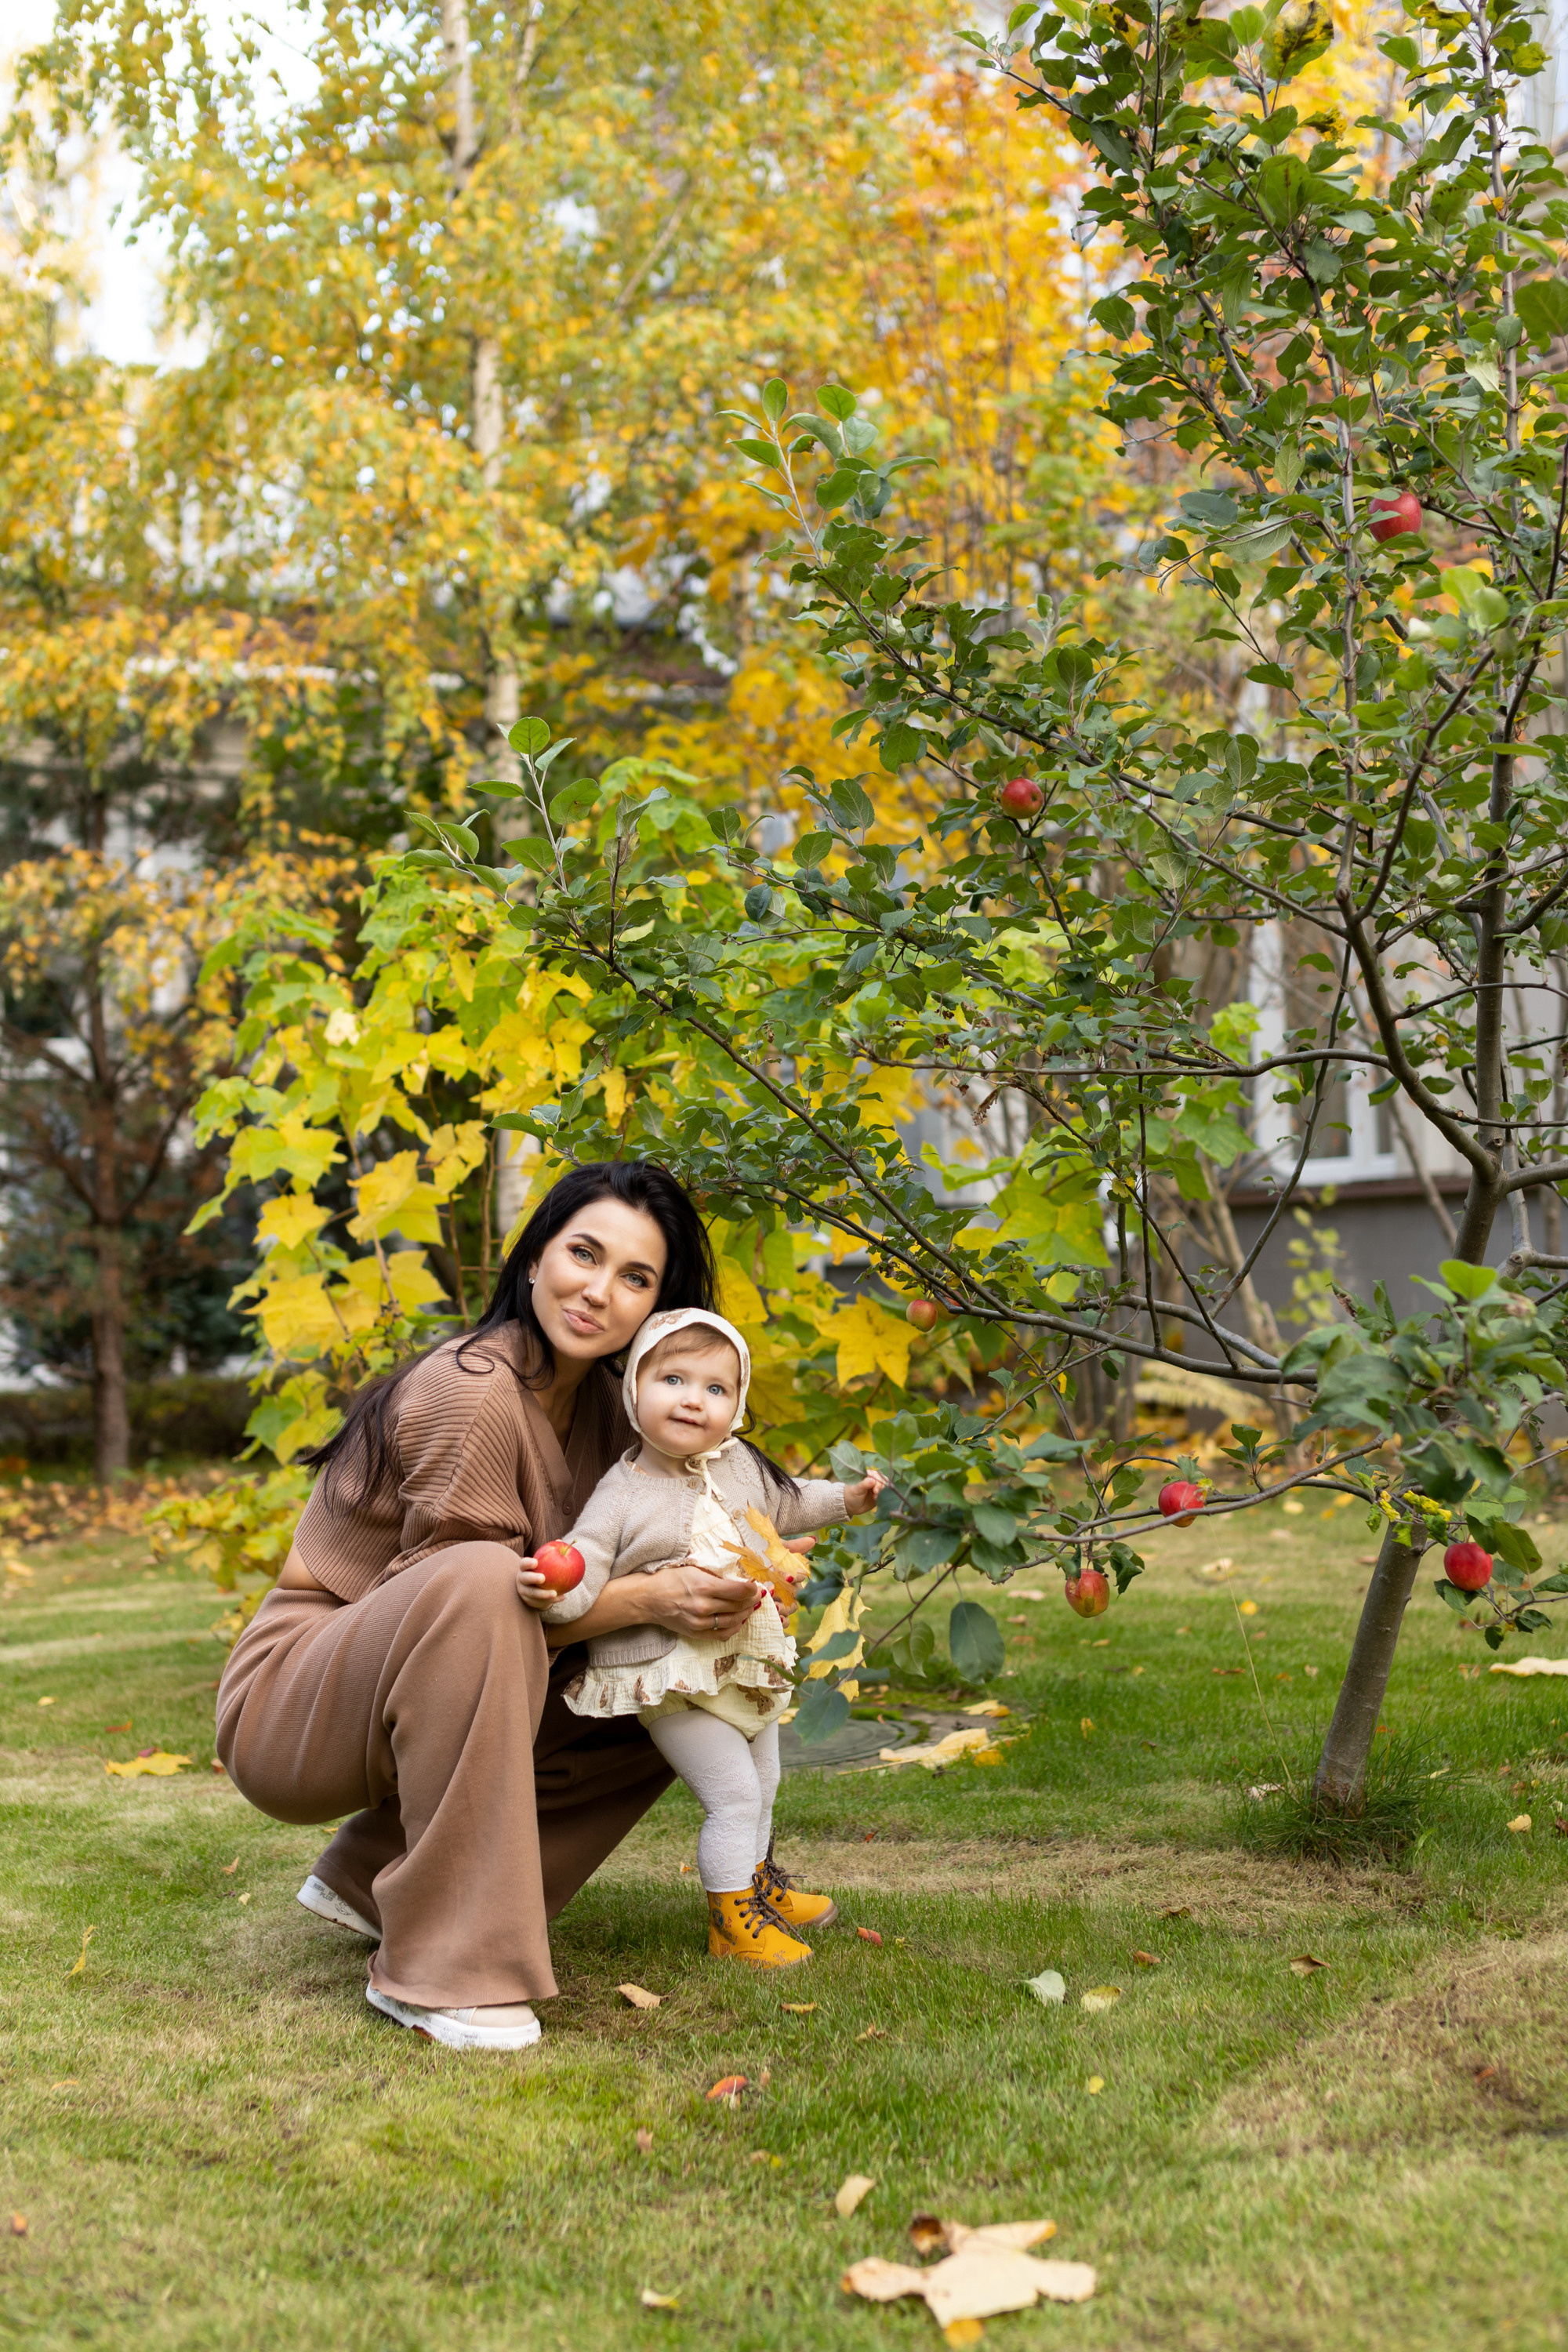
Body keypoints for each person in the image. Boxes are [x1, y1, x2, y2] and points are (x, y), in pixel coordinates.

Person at [215, 1161, 791, 2053]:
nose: (597, 1291)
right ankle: (445, 1962)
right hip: (294, 1706)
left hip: (423, 1678)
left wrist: (735, 1585)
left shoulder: (622, 1416)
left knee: (669, 1690)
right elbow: (466, 1612)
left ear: (660, 1311)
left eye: (635, 1277)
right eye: (583, 1254)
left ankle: (371, 1880)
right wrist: (647, 1596)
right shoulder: (473, 1388)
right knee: (491, 1578)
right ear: (534, 1259)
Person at [529, 1308, 885, 1967]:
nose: (694, 1400)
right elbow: (587, 1557)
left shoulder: (740, 1463)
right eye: (673, 1380)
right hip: (673, 1675)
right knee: (734, 1795)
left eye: (716, 1388)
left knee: (765, 1781)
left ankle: (758, 1887)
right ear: (635, 1389)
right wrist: (555, 1591)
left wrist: (848, 1500)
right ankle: (731, 1923)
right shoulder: (623, 1492)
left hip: (744, 1659)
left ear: (736, 1406)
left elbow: (789, 1500)